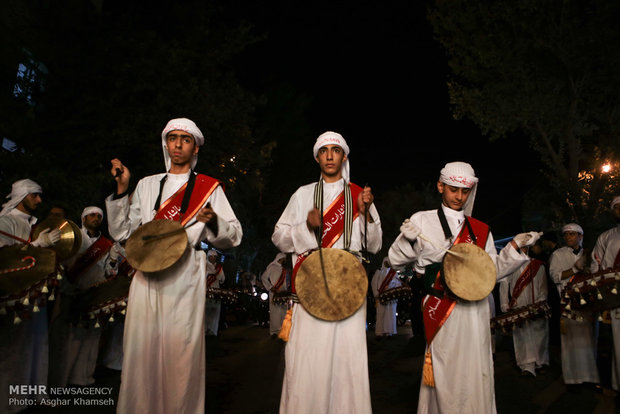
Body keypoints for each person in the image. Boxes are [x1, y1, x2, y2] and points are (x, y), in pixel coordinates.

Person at [105, 117, 242, 414]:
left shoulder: (209, 188)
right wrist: (121, 190)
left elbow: (234, 235)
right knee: (140, 348)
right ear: (166, 144)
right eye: (173, 138)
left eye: (185, 139)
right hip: (146, 275)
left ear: (195, 148)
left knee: (181, 352)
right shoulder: (146, 184)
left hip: (185, 274)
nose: (178, 144)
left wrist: (214, 222)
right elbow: (123, 233)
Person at [388, 161, 541, 414]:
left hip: (475, 310)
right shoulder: (422, 220)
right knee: (444, 367)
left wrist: (514, 248)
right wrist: (408, 240)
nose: (459, 197)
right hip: (441, 306)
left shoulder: (480, 229)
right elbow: (395, 260)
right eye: (453, 190)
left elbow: (491, 272)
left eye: (465, 191)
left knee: (474, 367)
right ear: (440, 186)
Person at [272, 131, 382, 413]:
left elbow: (375, 244)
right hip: (310, 287)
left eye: (336, 150)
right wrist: (306, 228)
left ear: (344, 156)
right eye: (324, 151)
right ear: (317, 157)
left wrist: (365, 213)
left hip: (348, 288)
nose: (330, 155)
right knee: (306, 356)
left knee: (347, 358)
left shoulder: (359, 195)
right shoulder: (303, 194)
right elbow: (278, 238)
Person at [0, 179, 60, 413]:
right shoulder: (5, 222)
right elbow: (6, 259)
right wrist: (38, 244)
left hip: (37, 293)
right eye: (35, 195)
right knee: (12, 348)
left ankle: (35, 393)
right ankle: (7, 402)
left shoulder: (36, 223)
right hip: (13, 297)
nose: (39, 200)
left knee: (38, 344)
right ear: (22, 195)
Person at [48, 206, 116, 387]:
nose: (96, 218)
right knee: (68, 337)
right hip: (71, 291)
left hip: (95, 293)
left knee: (91, 337)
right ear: (83, 218)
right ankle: (60, 381)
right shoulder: (73, 236)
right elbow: (61, 263)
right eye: (92, 215)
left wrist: (113, 263)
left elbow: (108, 269)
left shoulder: (106, 243)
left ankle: (83, 377)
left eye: (99, 216)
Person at [549, 223, 600, 389]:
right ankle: (572, 380)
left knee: (589, 341)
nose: (568, 237)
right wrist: (575, 268)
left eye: (572, 234)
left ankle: (590, 378)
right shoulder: (558, 254)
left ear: (581, 236)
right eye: (566, 234)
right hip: (569, 304)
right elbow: (556, 277)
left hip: (589, 304)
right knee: (570, 344)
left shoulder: (590, 254)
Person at [499, 243, 550, 376]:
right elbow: (504, 285)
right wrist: (505, 304)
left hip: (536, 304)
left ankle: (540, 362)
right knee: (523, 335)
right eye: (520, 247)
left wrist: (540, 302)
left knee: (539, 333)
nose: (523, 250)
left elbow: (543, 286)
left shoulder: (538, 265)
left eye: (525, 247)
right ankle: (526, 366)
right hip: (518, 304)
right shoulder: (511, 266)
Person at [590, 196, 620, 392]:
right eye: (617, 207)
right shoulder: (606, 237)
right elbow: (596, 265)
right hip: (615, 296)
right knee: (618, 342)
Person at [371, 257, 401, 337]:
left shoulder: (394, 273)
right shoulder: (379, 272)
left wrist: (394, 290)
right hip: (381, 296)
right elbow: (374, 283)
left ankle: (389, 332)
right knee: (380, 314)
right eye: (386, 262)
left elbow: (398, 284)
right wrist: (376, 293)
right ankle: (379, 332)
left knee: (390, 315)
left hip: (391, 297)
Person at [261, 252, 289, 337]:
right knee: (274, 312)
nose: (285, 260)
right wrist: (270, 287)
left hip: (283, 293)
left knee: (284, 311)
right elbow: (264, 277)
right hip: (274, 292)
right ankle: (274, 331)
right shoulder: (272, 267)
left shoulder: (284, 269)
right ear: (281, 258)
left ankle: (282, 330)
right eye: (284, 258)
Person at [205, 249, 225, 336]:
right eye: (211, 256)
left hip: (216, 291)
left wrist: (216, 276)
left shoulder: (219, 267)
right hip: (205, 291)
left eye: (214, 257)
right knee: (205, 311)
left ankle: (213, 330)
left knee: (215, 311)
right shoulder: (204, 265)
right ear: (208, 257)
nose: (213, 258)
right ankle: (204, 330)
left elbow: (222, 279)